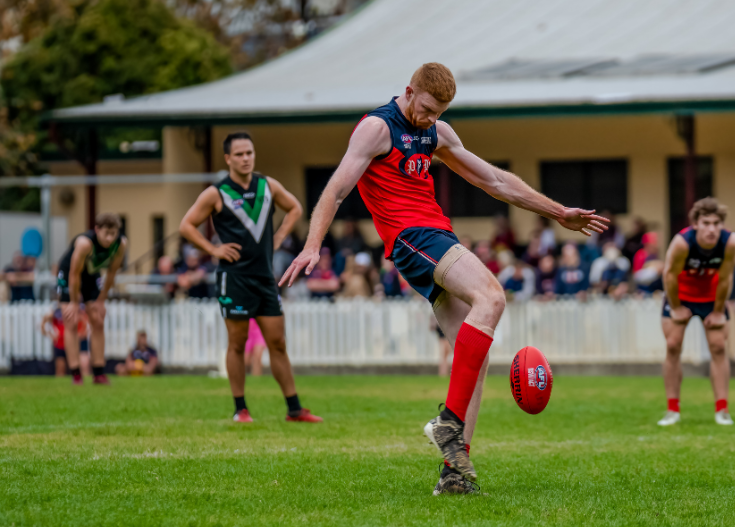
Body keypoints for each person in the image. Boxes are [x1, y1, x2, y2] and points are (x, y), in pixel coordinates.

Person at [279, 63, 607, 494]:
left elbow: (494, 181)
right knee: (492, 297)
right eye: (427, 109)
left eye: (439, 112)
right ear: (409, 91)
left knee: (476, 351)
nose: (431, 118)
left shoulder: (437, 132)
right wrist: (312, 245)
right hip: (413, 237)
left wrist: (558, 212)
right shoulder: (377, 128)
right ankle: (448, 423)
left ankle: (454, 473)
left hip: (436, 236)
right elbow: (337, 189)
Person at [179, 131, 321, 424]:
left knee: (277, 342)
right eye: (239, 154)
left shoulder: (267, 185)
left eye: (249, 153)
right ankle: (240, 409)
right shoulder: (216, 193)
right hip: (234, 278)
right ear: (228, 158)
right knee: (237, 343)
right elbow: (186, 226)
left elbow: (295, 208)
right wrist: (213, 249)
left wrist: (279, 236)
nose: (246, 158)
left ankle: (294, 409)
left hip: (265, 278)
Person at [660, 197, 735, 427]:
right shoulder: (682, 243)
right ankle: (672, 410)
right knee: (673, 345)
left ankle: (722, 410)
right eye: (706, 223)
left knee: (718, 346)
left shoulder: (730, 242)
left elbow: (725, 278)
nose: (711, 229)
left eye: (716, 223)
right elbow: (669, 275)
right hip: (681, 294)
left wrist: (718, 311)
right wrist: (676, 307)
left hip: (712, 296)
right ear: (695, 224)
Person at [56, 213, 127, 385]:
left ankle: (98, 373)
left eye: (113, 234)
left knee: (98, 320)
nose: (110, 238)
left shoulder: (120, 244)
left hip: (91, 273)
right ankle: (76, 374)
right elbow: (74, 274)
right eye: (106, 233)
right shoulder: (85, 244)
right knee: (71, 320)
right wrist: (74, 302)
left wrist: (102, 300)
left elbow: (112, 272)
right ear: (97, 230)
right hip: (69, 273)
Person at [42, 305, 89, 377]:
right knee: (60, 368)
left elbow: (85, 323)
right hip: (60, 344)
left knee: (83, 365)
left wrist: (80, 334)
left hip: (75, 344)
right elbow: (44, 323)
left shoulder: (78, 310)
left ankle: (80, 379)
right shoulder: (56, 312)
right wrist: (50, 335)